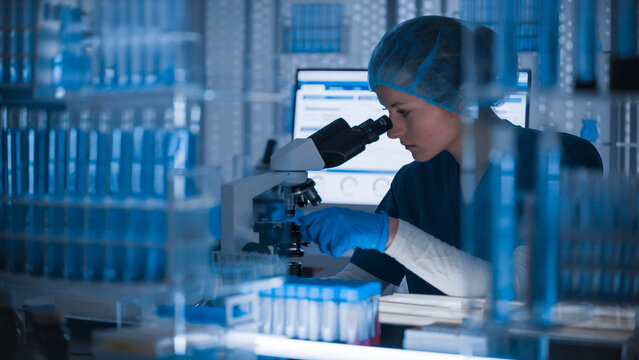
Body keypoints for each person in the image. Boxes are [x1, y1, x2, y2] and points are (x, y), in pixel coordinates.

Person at [297, 16, 603, 298]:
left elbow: (521, 285)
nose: (393, 130)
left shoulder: (562, 159)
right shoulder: (414, 180)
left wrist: (388, 233)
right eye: (387, 112)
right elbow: (363, 279)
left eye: (403, 111)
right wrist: (280, 291)